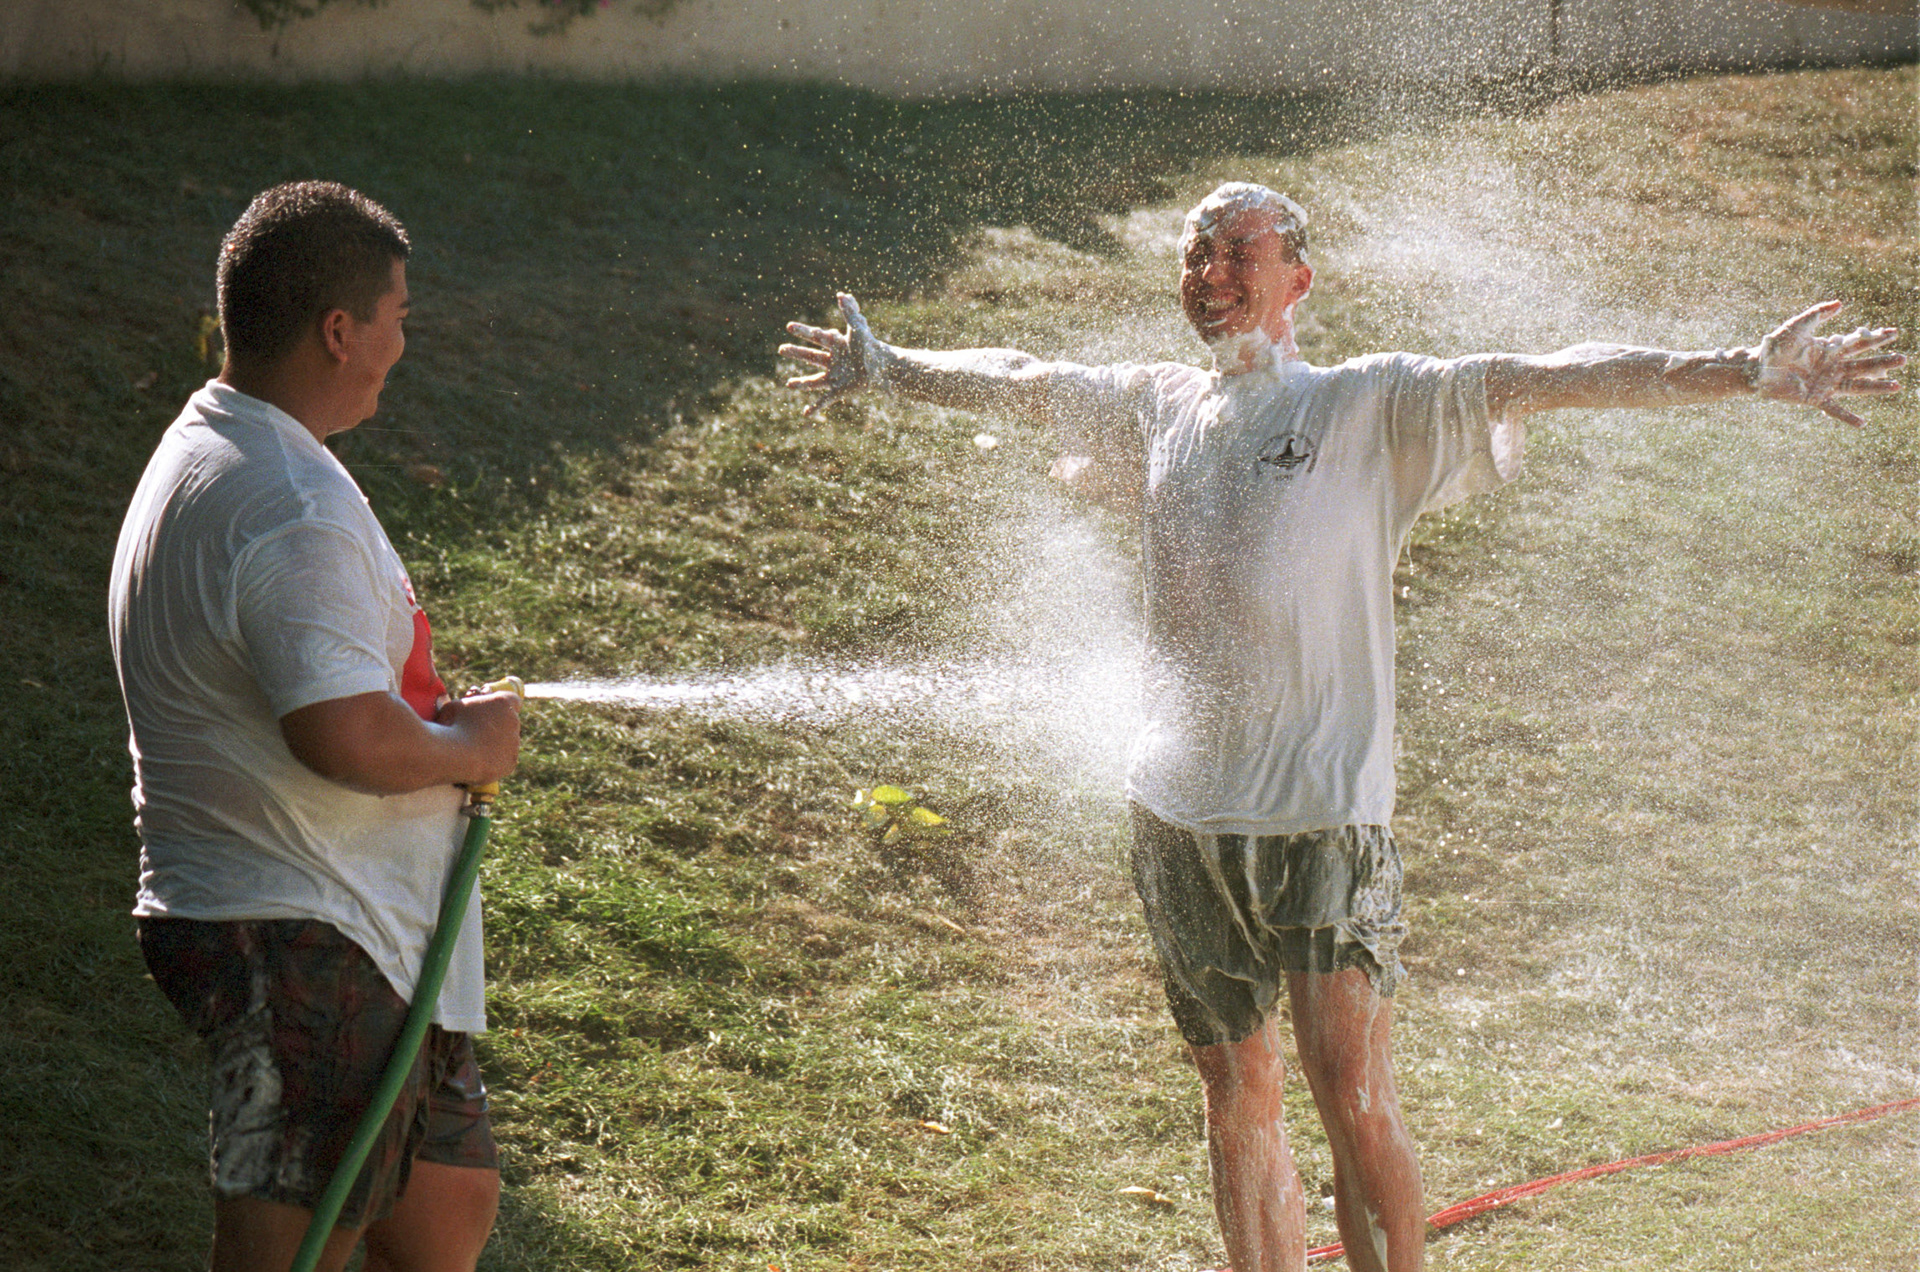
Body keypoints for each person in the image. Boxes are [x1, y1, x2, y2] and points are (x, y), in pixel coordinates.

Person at [778, 181, 1903, 1272]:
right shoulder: (1155, 402)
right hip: (1177, 812)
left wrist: (1741, 371)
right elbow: (1025, 378)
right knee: (1235, 1093)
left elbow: (1540, 376)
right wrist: (891, 367)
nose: (1212, 275)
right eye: (1196, 256)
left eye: (1240, 256)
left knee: (1350, 1095)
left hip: (1322, 812)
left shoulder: (1366, 401)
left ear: (1297, 279)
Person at [109, 181, 522, 1272]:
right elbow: (340, 735)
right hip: (304, 931)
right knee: (293, 1254)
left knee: (445, 1207)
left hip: (353, 930)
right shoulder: (287, 500)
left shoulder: (224, 447)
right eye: (397, 316)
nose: (402, 341)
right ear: (340, 330)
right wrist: (470, 753)